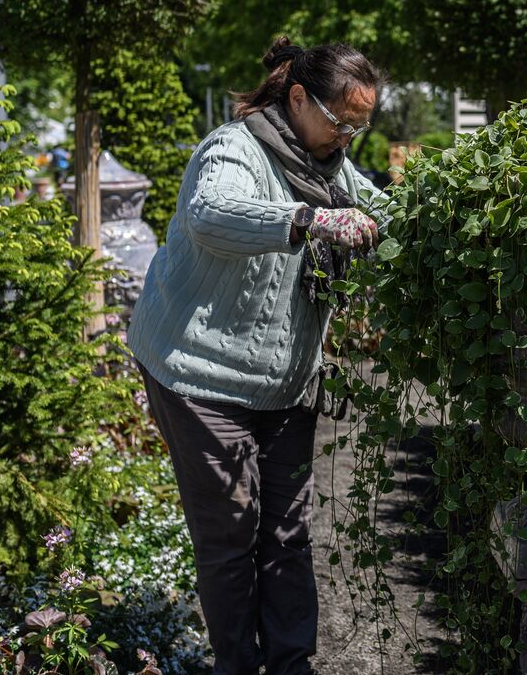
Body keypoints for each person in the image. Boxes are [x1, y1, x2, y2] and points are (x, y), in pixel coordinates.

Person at [127, 37, 386, 675]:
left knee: (288, 538)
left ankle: (292, 666)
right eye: (340, 123)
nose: (347, 139)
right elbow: (210, 214)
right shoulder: (233, 148)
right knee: (230, 538)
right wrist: (308, 221)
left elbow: (383, 210)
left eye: (359, 128)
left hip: (285, 386)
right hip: (199, 374)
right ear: (298, 98)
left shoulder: (331, 165)